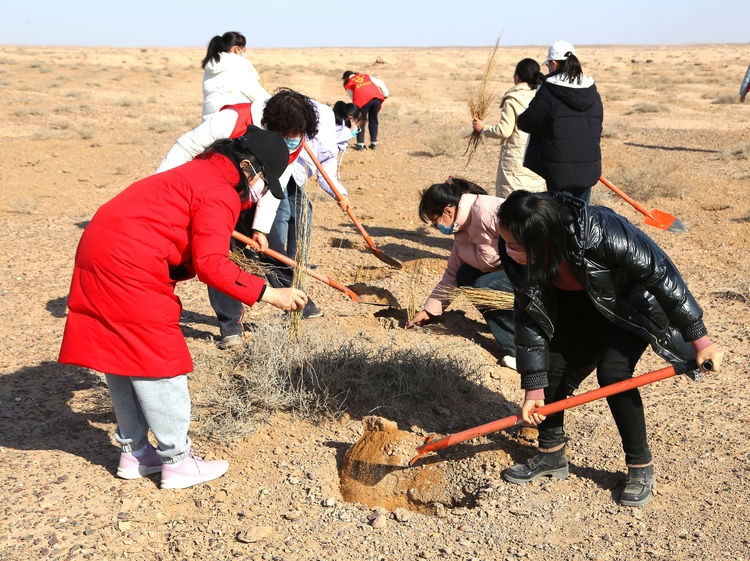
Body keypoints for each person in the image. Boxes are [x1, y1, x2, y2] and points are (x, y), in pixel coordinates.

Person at [59, 126, 308, 489]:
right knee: (159, 360)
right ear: (248, 168)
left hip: (99, 249)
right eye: (264, 183)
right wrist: (269, 293)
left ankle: (135, 453)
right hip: (130, 263)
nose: (259, 194)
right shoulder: (218, 192)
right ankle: (177, 461)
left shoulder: (200, 171)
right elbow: (211, 264)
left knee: (122, 355)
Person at [496, 190, 724, 506]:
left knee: (614, 373)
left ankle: (640, 467)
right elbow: (529, 317)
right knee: (552, 366)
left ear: (544, 239)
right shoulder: (517, 248)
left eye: (517, 247)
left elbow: (661, 276)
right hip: (580, 304)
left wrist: (701, 340)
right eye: (505, 241)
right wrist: (533, 391)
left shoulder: (601, 232)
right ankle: (550, 454)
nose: (508, 251)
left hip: (630, 303)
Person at [156, 88, 320, 345]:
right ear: (270, 126)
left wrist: (261, 228)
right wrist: (163, 189)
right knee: (219, 256)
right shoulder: (232, 120)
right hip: (212, 195)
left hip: (250, 198)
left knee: (272, 249)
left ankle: (300, 304)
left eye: (298, 136)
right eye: (288, 135)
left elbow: (275, 184)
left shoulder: (293, 141)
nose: (293, 140)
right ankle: (230, 326)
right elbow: (185, 147)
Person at [405, 177, 516, 369]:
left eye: (435, 221)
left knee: (483, 286)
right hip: (508, 273)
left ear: (448, 210)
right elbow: (452, 275)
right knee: (465, 275)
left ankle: (522, 351)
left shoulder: (486, 213)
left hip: (532, 271)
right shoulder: (461, 231)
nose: (436, 227)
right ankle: (512, 338)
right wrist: (429, 311)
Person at [269, 100, 365, 319]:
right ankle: (279, 262)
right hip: (283, 168)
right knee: (282, 215)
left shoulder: (338, 142)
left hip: (295, 177)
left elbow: (327, 174)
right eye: (357, 127)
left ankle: (296, 262)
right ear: (351, 120)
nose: (357, 132)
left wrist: (341, 194)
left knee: (305, 211)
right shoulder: (325, 118)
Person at [517, 41, 603, 203]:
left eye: (548, 64)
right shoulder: (592, 90)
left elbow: (528, 122)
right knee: (582, 217)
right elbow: (598, 125)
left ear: (554, 63)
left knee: (561, 217)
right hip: (587, 166)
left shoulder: (550, 90)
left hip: (559, 170)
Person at [472, 58, 546, 198]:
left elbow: (504, 130)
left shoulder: (514, 99)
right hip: (536, 157)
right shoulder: (542, 96)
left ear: (517, 77)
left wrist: (483, 129)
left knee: (513, 204)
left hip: (516, 160)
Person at [201, 31, 270, 119]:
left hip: (208, 122)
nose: (244, 55)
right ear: (237, 49)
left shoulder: (212, 66)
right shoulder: (237, 65)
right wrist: (276, 103)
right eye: (244, 51)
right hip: (231, 121)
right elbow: (256, 93)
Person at [342, 70, 389, 151]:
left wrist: (356, 108)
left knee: (361, 122)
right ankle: (374, 143)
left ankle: (360, 145)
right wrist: (385, 94)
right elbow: (380, 83)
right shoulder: (366, 76)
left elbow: (353, 97)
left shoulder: (349, 83)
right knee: (373, 120)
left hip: (363, 101)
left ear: (346, 77)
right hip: (375, 99)